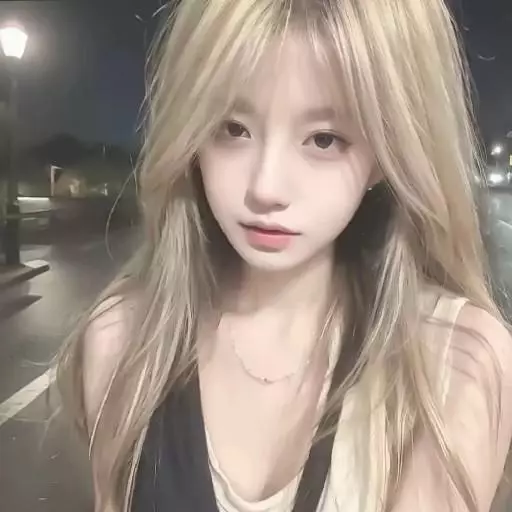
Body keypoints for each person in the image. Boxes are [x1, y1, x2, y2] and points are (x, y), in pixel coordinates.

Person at [57, 1, 512, 511]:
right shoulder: (124, 341)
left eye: (324, 139)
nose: (266, 188)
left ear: (388, 154)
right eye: (232, 128)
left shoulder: (455, 366)